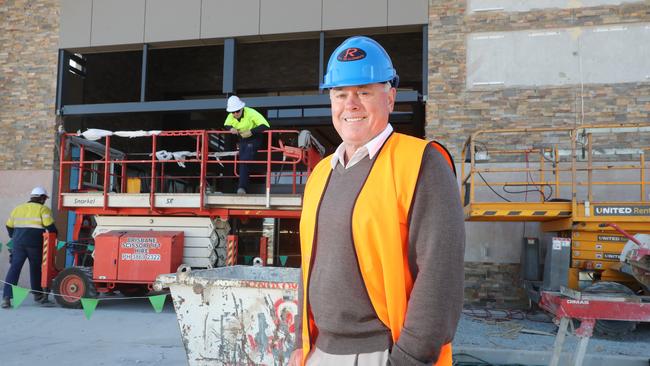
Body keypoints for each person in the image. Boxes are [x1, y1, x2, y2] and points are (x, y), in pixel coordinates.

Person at [290, 36, 465, 365]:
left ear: (391, 98)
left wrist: (407, 359)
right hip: (320, 352)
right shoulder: (320, 174)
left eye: (364, 92)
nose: (351, 104)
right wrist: (301, 344)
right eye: (341, 94)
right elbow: (308, 267)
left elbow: (440, 279)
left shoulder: (422, 164)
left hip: (382, 353)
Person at [2, 187, 57, 308]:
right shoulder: (43, 209)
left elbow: (9, 226)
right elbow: (50, 227)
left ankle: (6, 298)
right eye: (44, 198)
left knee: (14, 269)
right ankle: (38, 296)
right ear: (42, 198)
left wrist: (14, 236)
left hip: (18, 243)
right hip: (35, 243)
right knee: (36, 269)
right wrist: (56, 235)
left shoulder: (18, 208)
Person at [224, 95, 270, 194]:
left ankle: (242, 188)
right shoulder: (231, 116)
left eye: (237, 111)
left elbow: (265, 125)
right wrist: (231, 129)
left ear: (242, 108)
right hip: (243, 139)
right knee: (243, 162)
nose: (235, 114)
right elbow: (226, 124)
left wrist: (251, 132)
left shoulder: (251, 113)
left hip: (254, 138)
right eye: (233, 112)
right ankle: (243, 187)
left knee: (245, 161)